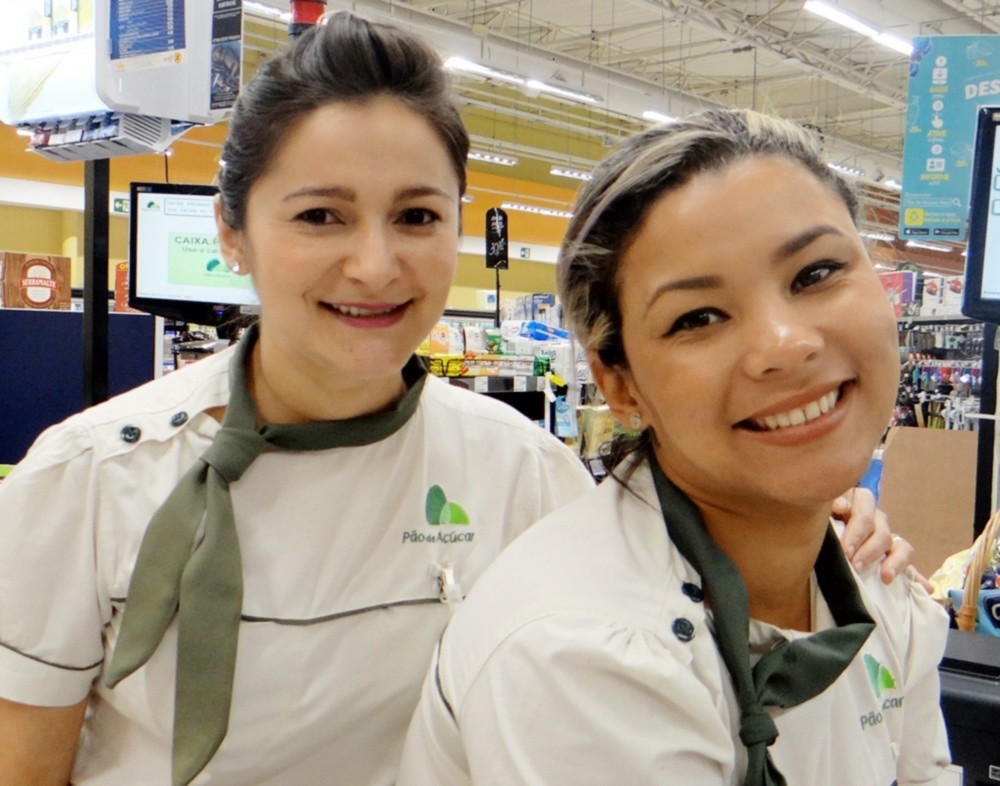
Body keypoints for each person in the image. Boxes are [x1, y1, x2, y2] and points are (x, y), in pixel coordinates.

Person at [0, 15, 908, 786]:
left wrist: (821, 522)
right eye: (320, 216)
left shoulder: (523, 472)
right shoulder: (89, 478)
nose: (375, 265)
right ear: (232, 233)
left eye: (418, 216)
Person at [398, 108, 950, 785]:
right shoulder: (579, 654)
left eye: (815, 273)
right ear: (620, 384)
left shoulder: (881, 590)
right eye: (699, 317)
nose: (785, 344)